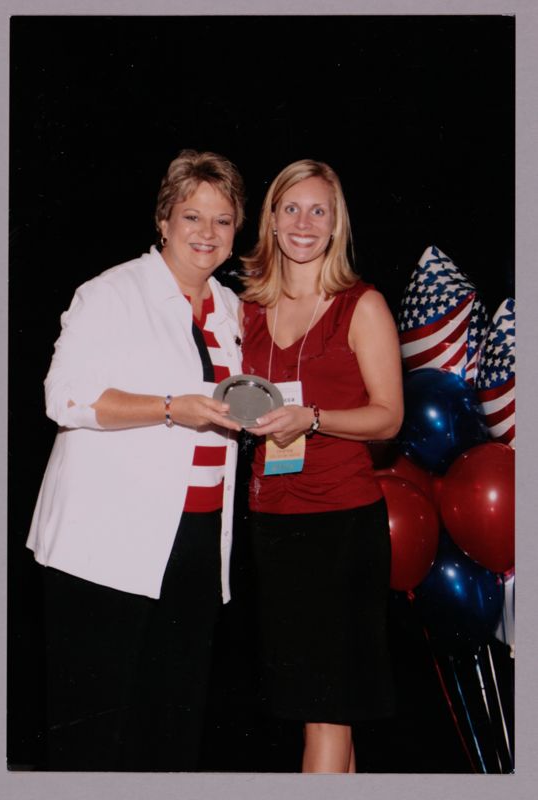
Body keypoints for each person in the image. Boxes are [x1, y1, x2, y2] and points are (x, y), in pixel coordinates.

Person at [26, 149, 246, 771]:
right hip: (106, 544)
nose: (206, 233)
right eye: (192, 216)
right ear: (163, 221)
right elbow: (65, 397)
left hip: (197, 541)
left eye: (223, 220)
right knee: (95, 733)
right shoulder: (110, 292)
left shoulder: (230, 311)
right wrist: (174, 407)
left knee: (171, 726)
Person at [239, 159, 403, 773]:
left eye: (319, 210)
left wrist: (313, 417)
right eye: (291, 208)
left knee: (326, 709)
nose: (304, 222)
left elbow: (388, 418)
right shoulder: (247, 311)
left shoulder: (361, 306)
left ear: (336, 226)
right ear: (272, 220)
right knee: (325, 709)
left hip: (341, 524)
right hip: (272, 525)